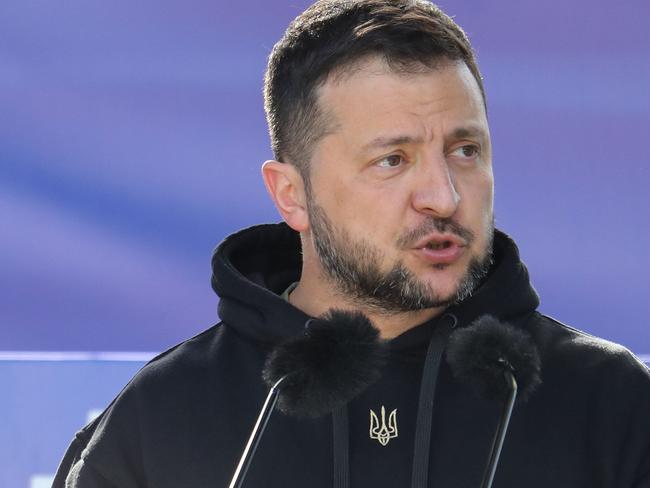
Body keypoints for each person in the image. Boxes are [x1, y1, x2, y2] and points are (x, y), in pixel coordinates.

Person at [54, 1, 650, 487]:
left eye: (465, 151)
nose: (443, 197)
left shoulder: (610, 402)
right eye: (393, 160)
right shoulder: (161, 419)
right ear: (291, 195)